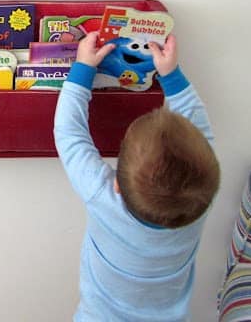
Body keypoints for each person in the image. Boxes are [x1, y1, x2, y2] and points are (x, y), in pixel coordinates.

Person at [54, 32, 219, 321]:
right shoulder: (198, 203)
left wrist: (82, 70)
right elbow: (201, 136)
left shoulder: (102, 197)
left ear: (116, 183)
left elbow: (70, 135)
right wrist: (171, 75)